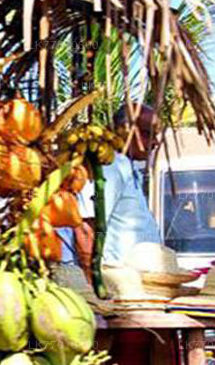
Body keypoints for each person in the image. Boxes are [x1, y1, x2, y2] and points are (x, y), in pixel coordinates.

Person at [57, 106, 162, 283]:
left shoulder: (127, 167)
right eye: (148, 133)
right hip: (114, 282)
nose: (155, 142)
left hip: (132, 282)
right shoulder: (111, 166)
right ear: (125, 130)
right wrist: (93, 285)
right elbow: (85, 228)